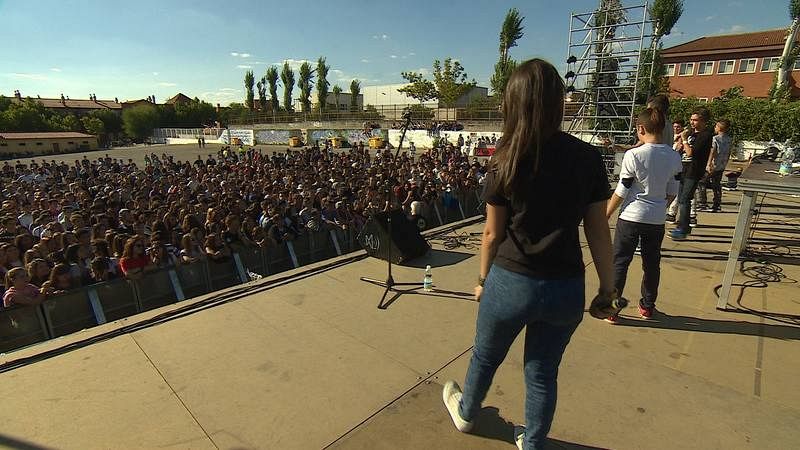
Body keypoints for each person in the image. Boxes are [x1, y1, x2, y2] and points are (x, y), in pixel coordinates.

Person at [441, 59, 615, 450]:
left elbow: (491, 234)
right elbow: (598, 230)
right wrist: (608, 287)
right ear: (558, 102)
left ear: (513, 103)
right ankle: (533, 442)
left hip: (510, 281)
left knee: (486, 356)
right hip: (566, 285)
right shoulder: (587, 158)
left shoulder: (505, 157)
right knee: (542, 373)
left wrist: (483, 281)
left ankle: (468, 413)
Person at [605, 107, 682, 322]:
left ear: (641, 128)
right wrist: (658, 207)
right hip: (656, 219)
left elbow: (622, 190)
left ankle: (612, 310)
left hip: (630, 217)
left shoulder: (634, 155)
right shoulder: (674, 156)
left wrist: (607, 213)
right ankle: (647, 306)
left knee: (620, 263)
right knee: (651, 264)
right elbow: (673, 191)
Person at [670, 107, 713, 240]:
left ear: (703, 121)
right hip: (684, 168)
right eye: (691, 119)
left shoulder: (705, 135)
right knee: (681, 197)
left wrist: (683, 140)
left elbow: (691, 153)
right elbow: (684, 150)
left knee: (684, 200)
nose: (692, 122)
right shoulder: (692, 134)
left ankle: (682, 227)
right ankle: (684, 225)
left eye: (695, 120)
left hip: (693, 171)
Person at [698, 119, 732, 212]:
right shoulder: (729, 139)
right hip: (721, 164)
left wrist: (708, 163)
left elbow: (712, 151)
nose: (714, 128)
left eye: (716, 126)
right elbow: (728, 152)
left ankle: (702, 203)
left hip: (713, 164)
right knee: (716, 184)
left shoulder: (715, 139)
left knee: (702, 181)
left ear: (719, 128)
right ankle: (717, 204)